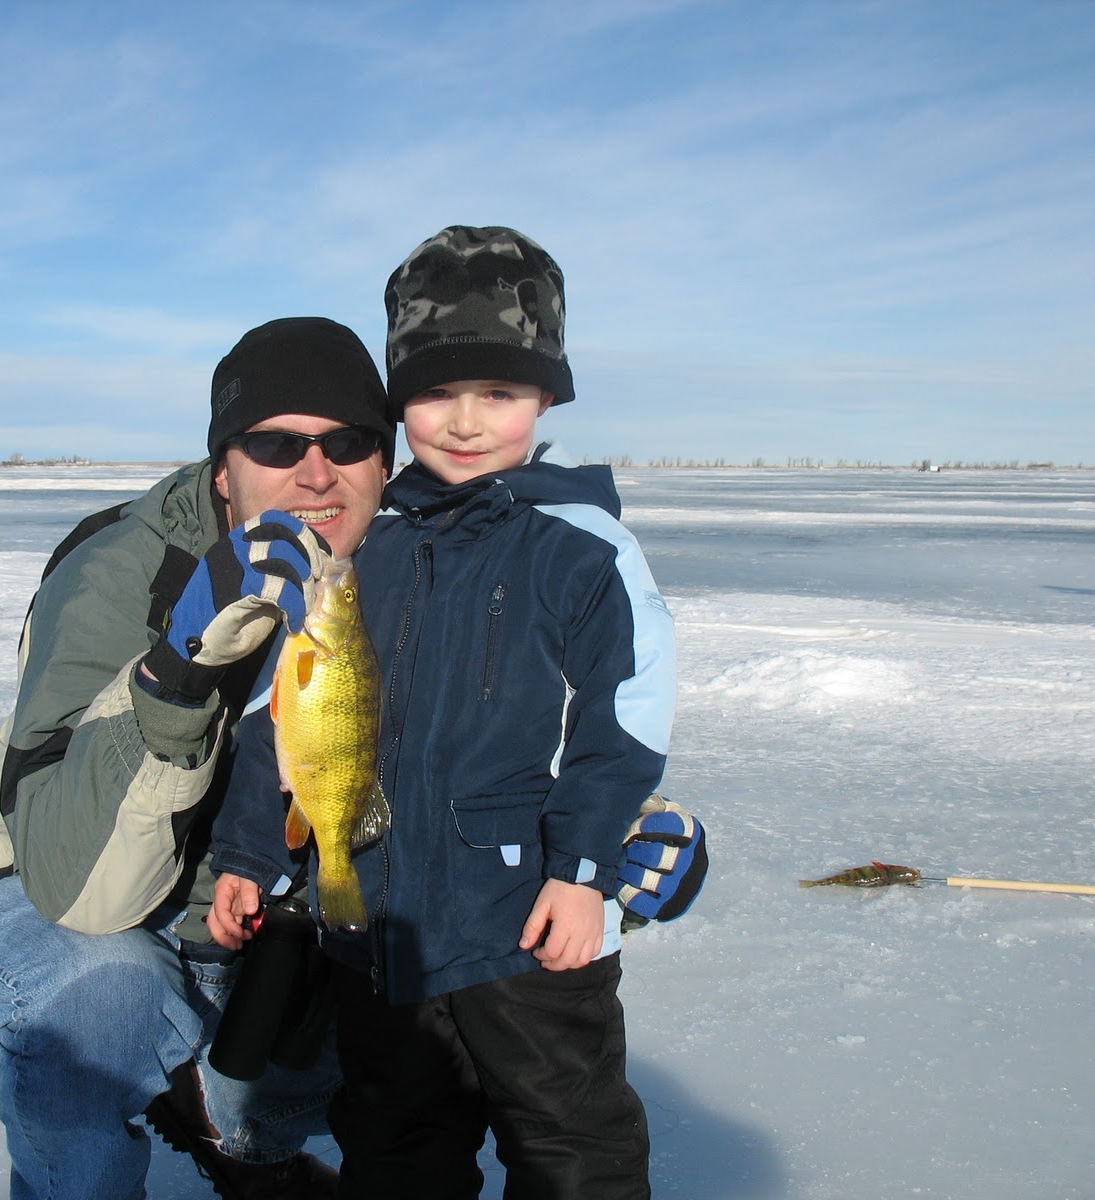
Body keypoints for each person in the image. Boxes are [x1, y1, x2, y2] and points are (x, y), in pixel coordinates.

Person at [209, 226, 706, 1199]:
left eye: (500, 393)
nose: (467, 421)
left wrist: (583, 872)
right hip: (381, 928)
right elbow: (287, 713)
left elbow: (625, 721)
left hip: (529, 922)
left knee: (570, 1146)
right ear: (398, 402)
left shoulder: (576, 541)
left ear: (548, 396)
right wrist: (247, 852)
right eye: (436, 393)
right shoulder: (360, 540)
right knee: (395, 1148)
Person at [0, 316, 396, 1200]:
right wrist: (182, 670)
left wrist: (605, 853)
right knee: (100, 994)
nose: (316, 471)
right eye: (275, 443)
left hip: (259, 925)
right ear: (223, 469)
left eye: (348, 441)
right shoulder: (120, 572)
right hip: (74, 903)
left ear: (384, 461)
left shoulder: (406, 571)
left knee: (431, 985)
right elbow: (81, 887)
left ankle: (238, 1133)